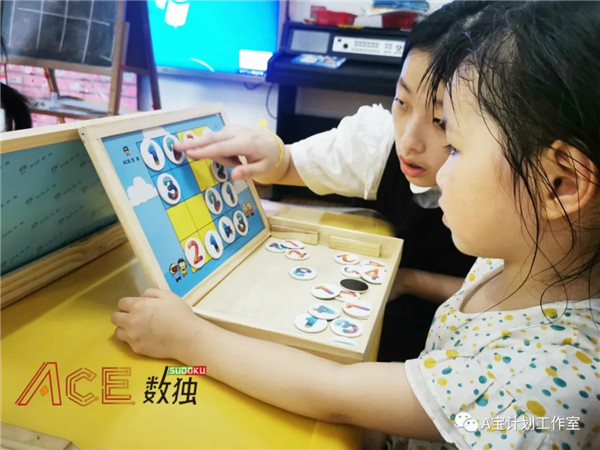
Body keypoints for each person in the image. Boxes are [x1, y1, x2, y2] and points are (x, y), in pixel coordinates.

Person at [113, 1, 599, 448]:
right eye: (401, 103)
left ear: (560, 184)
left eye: (454, 144)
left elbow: (335, 393)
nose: (432, 165)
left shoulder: (535, 391)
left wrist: (189, 340)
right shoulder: (517, 258)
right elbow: (436, 413)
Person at [173, 2, 487, 363]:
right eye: (402, 101)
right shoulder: (378, 143)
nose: (409, 140)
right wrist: (274, 156)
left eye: (441, 121)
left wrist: (409, 280)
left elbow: (519, 300)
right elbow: (288, 163)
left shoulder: (508, 188)